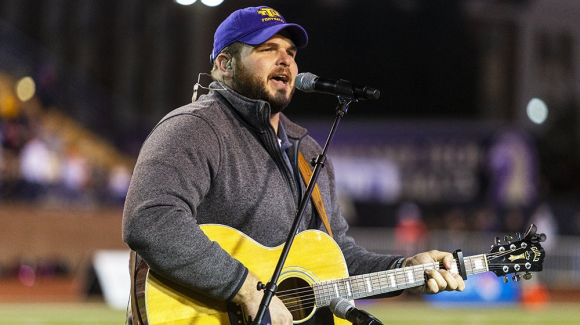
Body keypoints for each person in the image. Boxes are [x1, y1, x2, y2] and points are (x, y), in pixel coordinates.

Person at [122, 6, 465, 325]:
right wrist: (245, 289)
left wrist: (405, 268)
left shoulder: (309, 150)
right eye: (267, 48)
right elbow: (150, 219)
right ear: (225, 64)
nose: (285, 59)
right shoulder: (193, 129)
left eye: (291, 52)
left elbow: (338, 258)